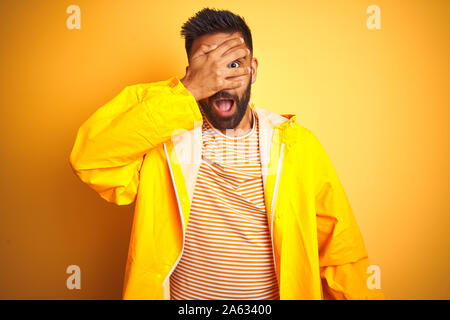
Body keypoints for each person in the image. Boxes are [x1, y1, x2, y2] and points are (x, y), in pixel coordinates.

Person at [69, 7, 384, 300]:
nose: (220, 79)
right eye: (208, 64)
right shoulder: (163, 142)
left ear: (253, 70)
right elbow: (91, 158)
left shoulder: (298, 146)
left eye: (233, 64)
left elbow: (341, 254)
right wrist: (187, 91)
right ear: (192, 72)